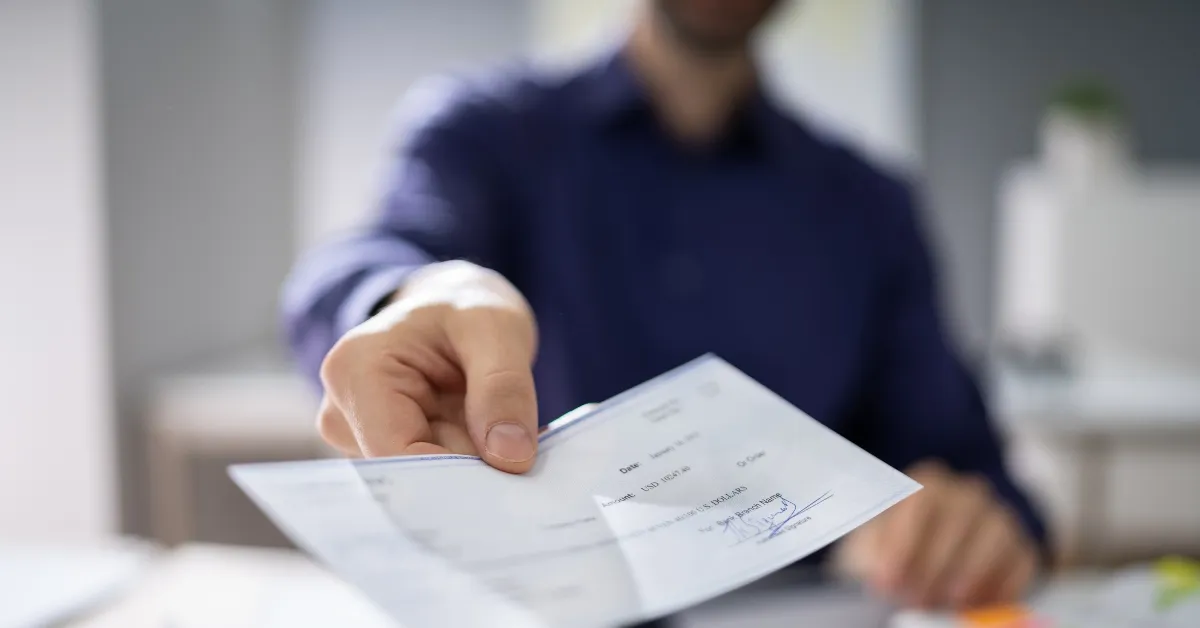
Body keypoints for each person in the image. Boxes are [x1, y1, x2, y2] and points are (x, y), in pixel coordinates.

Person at [284, 0, 1046, 613]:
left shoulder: (871, 207)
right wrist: (418, 294)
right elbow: (359, 265)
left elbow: (974, 471)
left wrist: (973, 529)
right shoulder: (484, 135)